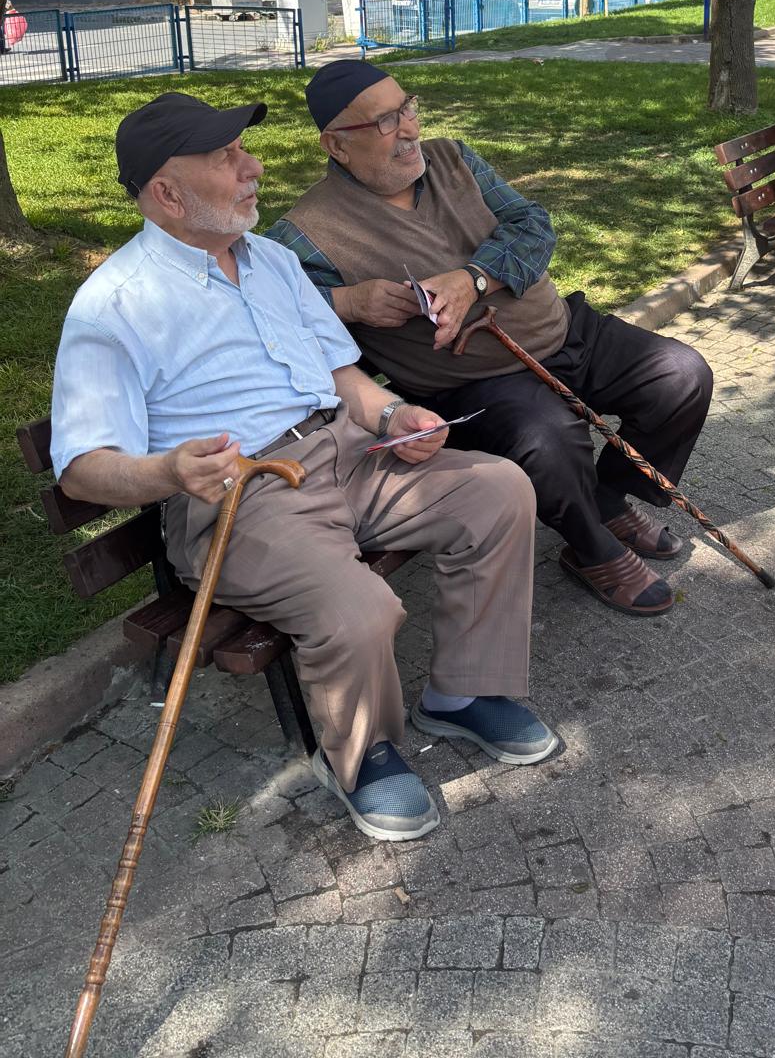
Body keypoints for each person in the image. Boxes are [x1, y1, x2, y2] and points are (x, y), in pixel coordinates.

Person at [51, 91, 557, 843]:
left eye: (242, 150)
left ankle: (465, 693)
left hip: (345, 453)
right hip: (241, 498)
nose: (253, 167)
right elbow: (82, 469)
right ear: (168, 193)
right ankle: (359, 756)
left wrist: (392, 416)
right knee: (360, 608)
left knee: (498, 491)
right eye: (226, 158)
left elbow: (341, 375)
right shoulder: (115, 305)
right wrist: (170, 473)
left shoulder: (271, 260)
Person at [266, 59, 714, 619]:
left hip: (565, 331)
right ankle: (591, 547)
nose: (410, 129)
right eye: (385, 122)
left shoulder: (453, 159)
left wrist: (474, 279)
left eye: (408, 108)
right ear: (336, 145)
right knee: (548, 439)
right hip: (477, 382)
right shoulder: (305, 232)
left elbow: (532, 226)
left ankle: (604, 498)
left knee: (681, 376)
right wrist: (349, 303)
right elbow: (270, 315)